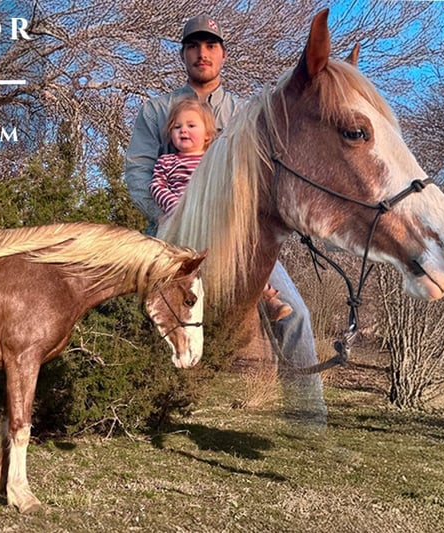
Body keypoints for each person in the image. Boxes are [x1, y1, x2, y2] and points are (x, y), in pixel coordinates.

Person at [124, 14, 327, 424]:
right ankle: (141, 409)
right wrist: (174, 220)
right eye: (193, 46)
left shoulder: (244, 112)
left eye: (211, 46)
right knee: (138, 312)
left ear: (223, 55)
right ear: (183, 54)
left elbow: (263, 176)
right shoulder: (157, 110)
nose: (202, 53)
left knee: (294, 313)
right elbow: (138, 175)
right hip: (172, 234)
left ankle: (308, 418)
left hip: (237, 237)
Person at [150, 96, 293, 322]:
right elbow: (157, 186)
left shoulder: (213, 162)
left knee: (245, 253)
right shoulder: (167, 161)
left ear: (207, 135)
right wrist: (173, 205)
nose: (183, 130)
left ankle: (268, 298)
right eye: (177, 127)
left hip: (212, 221)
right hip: (179, 222)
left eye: (191, 125)